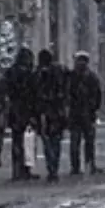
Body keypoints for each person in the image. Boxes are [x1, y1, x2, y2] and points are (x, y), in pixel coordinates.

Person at [3, 47, 39, 181]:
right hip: (27, 111)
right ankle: (25, 170)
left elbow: (7, 91)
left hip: (15, 112)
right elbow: (34, 93)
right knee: (28, 143)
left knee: (17, 142)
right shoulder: (30, 74)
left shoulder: (10, 73)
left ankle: (16, 171)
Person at [34, 49, 68, 182]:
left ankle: (52, 168)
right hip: (55, 112)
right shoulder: (59, 70)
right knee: (54, 141)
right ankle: (54, 167)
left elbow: (35, 93)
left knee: (48, 141)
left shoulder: (39, 73)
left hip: (46, 113)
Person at [67, 51, 102, 175]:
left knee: (75, 142)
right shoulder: (91, 77)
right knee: (88, 141)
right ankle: (89, 164)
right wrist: (94, 108)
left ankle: (76, 167)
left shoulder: (71, 77)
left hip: (76, 113)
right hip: (87, 113)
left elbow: (67, 95)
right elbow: (98, 95)